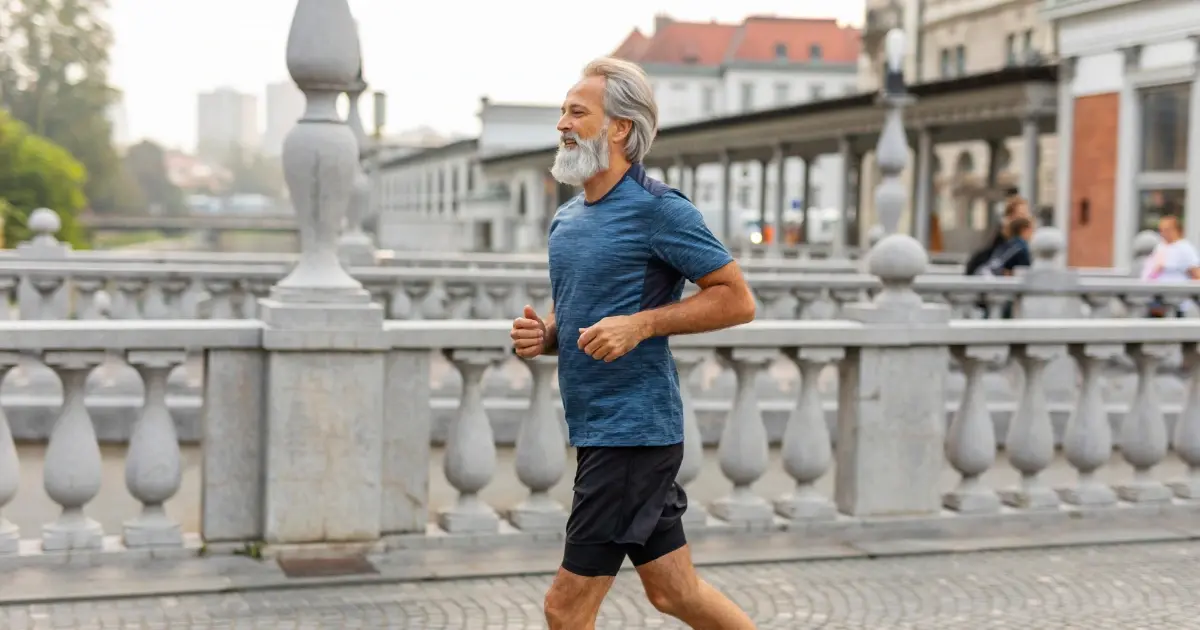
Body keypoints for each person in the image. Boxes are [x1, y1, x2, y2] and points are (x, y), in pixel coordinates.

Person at [509, 57, 758, 630]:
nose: (562, 124)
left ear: (619, 127)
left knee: (564, 610)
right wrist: (544, 336)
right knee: (676, 593)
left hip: (633, 435)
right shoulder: (567, 219)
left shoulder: (659, 210)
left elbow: (737, 298)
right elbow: (578, 315)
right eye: (562, 112)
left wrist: (641, 324)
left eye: (577, 112)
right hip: (600, 430)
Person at [1141, 214, 1200, 317]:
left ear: (1176, 230)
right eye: (1161, 230)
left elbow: (1196, 274)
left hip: (1177, 302)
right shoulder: (1160, 247)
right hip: (1157, 300)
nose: (1163, 233)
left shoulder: (1185, 248)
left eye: (1167, 230)